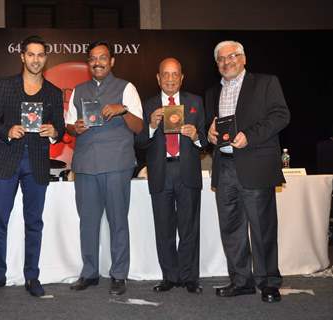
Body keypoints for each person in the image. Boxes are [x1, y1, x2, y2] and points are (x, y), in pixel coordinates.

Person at [205, 40, 290, 303]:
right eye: (221, 58)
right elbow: (214, 128)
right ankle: (241, 281)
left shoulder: (265, 83)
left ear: (243, 58)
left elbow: (280, 115)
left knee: (262, 228)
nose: (226, 61)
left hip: (255, 164)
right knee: (231, 228)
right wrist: (209, 133)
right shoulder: (211, 93)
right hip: (225, 167)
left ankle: (268, 283)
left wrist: (249, 137)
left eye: (232, 56)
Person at [0, 35, 65, 297]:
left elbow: (60, 128)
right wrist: (8, 130)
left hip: (38, 164)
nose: (36, 59)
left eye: (41, 55)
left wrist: (54, 130)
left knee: (34, 222)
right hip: (6, 160)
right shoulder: (6, 85)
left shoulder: (53, 91)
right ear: (22, 57)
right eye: (31, 54)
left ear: (45, 58)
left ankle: (32, 277)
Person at [66, 40, 143, 295]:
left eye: (103, 58)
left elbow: (139, 127)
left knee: (118, 220)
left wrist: (123, 110)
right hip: (86, 164)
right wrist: (74, 128)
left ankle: (119, 274)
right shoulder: (78, 90)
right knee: (87, 222)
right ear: (88, 63)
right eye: (93, 59)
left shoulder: (127, 88)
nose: (97, 62)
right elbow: (68, 125)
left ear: (111, 61)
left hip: (117, 163)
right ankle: (89, 273)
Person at [136, 58, 206, 294]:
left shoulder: (195, 102)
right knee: (164, 229)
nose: (170, 79)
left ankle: (189, 278)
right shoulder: (148, 105)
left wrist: (196, 136)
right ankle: (169, 277)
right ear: (158, 78)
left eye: (175, 74)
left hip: (187, 171)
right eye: (165, 74)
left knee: (189, 229)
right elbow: (139, 142)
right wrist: (152, 126)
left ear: (182, 77)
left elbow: (206, 141)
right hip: (160, 172)